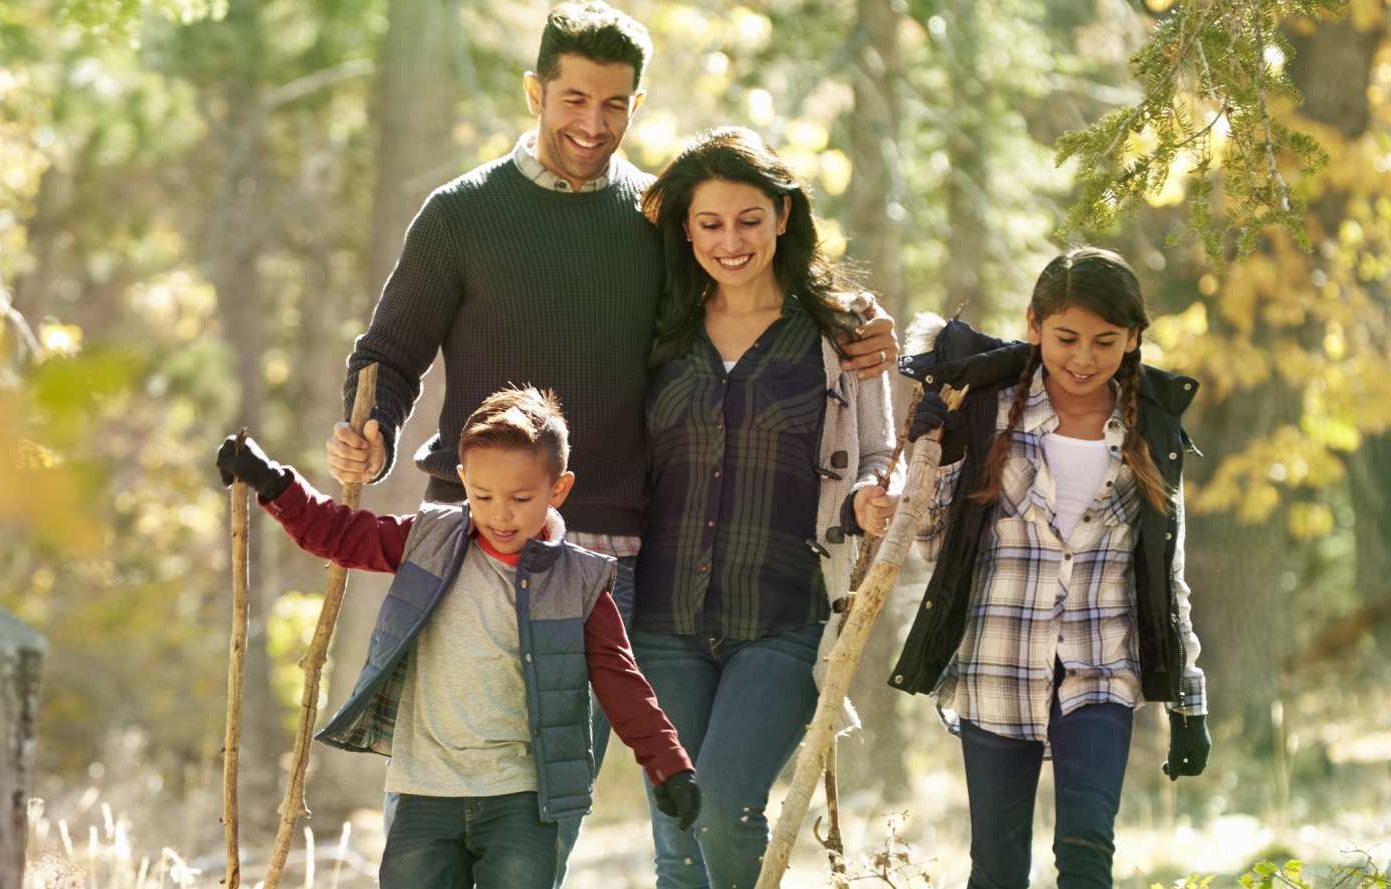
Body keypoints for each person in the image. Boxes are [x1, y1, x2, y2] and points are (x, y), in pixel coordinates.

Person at [326, 3, 898, 865]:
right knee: (449, 778)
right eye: (574, 99)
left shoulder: (654, 221)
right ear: (535, 93)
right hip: (474, 537)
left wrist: (856, 321)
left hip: (614, 557)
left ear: (637, 103)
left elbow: (742, 287)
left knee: (558, 790)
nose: (594, 123)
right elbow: (390, 355)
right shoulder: (461, 213)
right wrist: (369, 427)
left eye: (617, 103)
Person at [216, 387, 701, 888]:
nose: (501, 514)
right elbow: (340, 533)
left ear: (558, 490)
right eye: (483, 496)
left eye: (520, 498)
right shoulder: (430, 540)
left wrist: (669, 764)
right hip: (425, 793)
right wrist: (271, 481)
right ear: (463, 480)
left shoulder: (578, 580)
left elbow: (621, 679)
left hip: (523, 800)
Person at [886, 247, 1214, 889]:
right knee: (999, 869)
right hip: (998, 663)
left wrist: (1188, 700)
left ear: (1133, 338)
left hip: (1102, 668)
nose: (1084, 358)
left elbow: (1166, 574)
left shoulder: (1152, 427)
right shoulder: (987, 409)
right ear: (1034, 325)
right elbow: (931, 543)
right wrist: (938, 449)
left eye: (1105, 341)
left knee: (1088, 852)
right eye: (1066, 338)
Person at [624, 126, 898, 889]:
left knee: (722, 809)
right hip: (663, 619)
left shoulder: (839, 335)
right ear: (686, 228)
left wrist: (875, 497)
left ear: (783, 215)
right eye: (709, 223)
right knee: (678, 835)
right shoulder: (659, 331)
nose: (731, 240)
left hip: (783, 616)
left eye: (749, 219)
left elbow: (878, 454)